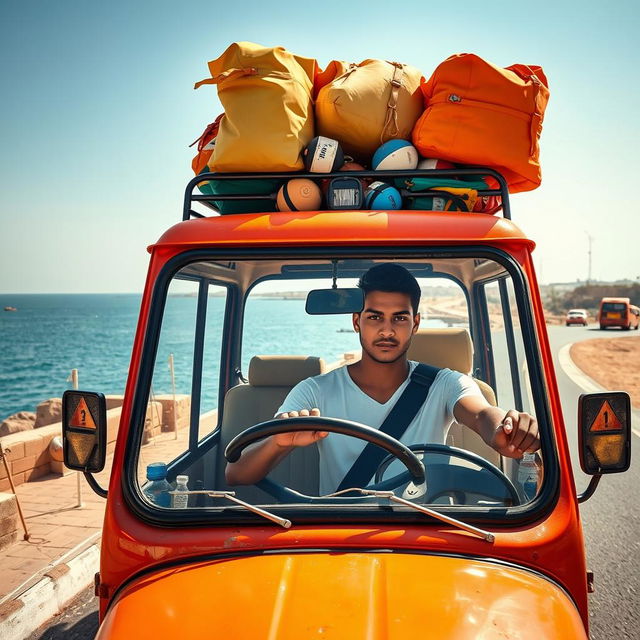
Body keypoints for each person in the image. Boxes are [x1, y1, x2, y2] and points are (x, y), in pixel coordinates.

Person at [226, 263, 540, 495]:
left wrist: (507, 430)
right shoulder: (313, 392)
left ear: (415, 323)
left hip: (428, 536)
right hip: (339, 540)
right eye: (375, 317)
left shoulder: (446, 384)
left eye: (399, 318)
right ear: (356, 321)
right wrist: (281, 442)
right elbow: (236, 474)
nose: (387, 331)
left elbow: (483, 415)